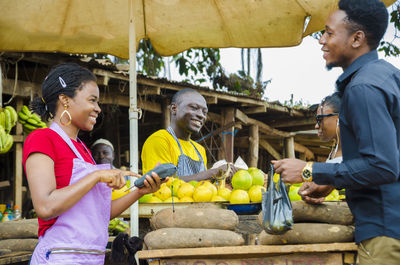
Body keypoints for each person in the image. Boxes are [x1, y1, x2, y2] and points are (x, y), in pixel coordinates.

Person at [272, 0, 400, 264]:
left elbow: (384, 167)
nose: (321, 40)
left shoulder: (363, 88)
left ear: (356, 38)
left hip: (386, 232)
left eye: (329, 33)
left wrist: (309, 170)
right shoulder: (387, 76)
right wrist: (332, 181)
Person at [24, 63, 164, 264]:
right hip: (60, 257)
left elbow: (98, 214)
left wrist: (140, 191)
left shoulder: (82, 150)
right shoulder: (42, 138)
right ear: (65, 100)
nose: (98, 108)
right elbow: (45, 206)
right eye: (92, 100)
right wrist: (96, 176)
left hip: (91, 258)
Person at [141, 88, 234, 183]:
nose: (201, 115)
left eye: (204, 112)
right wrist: (212, 173)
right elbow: (162, 184)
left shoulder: (199, 150)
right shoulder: (159, 140)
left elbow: (203, 188)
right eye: (194, 108)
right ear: (174, 109)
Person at [300, 92, 343, 203]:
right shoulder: (334, 150)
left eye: (320, 119)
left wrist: (307, 169)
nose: (316, 125)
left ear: (338, 118)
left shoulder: (357, 149)